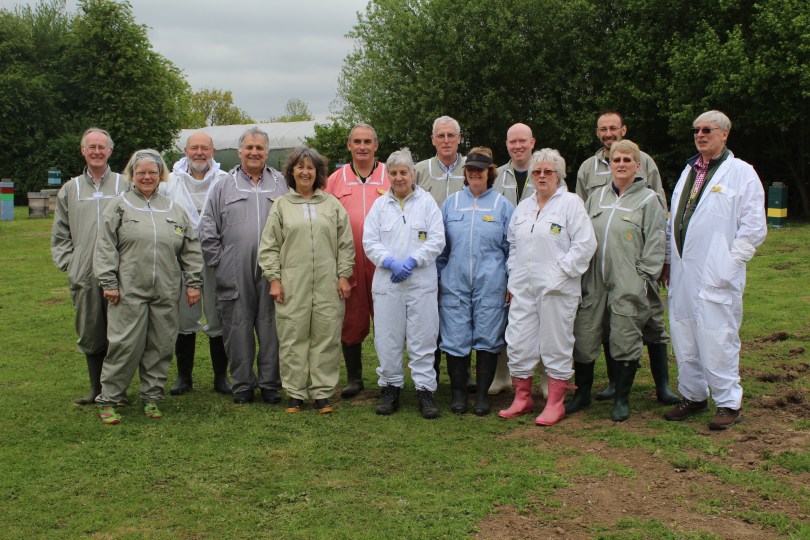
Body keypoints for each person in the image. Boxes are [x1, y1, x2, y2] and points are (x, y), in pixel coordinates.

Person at [662, 110, 766, 430]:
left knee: (718, 336)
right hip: (683, 272)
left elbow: (753, 227)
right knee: (684, 335)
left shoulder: (741, 173)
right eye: (696, 130)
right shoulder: (689, 170)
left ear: (725, 133)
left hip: (716, 272)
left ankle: (728, 402)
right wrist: (667, 260)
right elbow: (675, 220)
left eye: (707, 129)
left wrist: (731, 263)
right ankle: (693, 395)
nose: (700, 134)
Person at [575, 111, 679, 406]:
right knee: (604, 327)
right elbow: (580, 220)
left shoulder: (647, 179)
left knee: (650, 324)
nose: (608, 133)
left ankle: (661, 387)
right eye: (602, 129)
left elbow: (658, 224)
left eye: (613, 128)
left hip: (633, 271)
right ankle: (610, 386)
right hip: (598, 274)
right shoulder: (590, 175)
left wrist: (651, 270)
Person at [94, 150, 203, 424]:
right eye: (141, 172)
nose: (146, 177)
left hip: (165, 289)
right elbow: (105, 246)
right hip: (128, 289)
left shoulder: (173, 208)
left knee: (161, 344)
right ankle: (110, 399)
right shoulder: (119, 206)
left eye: (152, 172)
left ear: (160, 175)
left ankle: (152, 397)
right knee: (124, 344)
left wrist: (193, 283)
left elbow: (190, 248)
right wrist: (109, 282)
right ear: (132, 175)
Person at [499, 149, 596, 425]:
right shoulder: (524, 207)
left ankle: (555, 403)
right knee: (518, 340)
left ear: (558, 175)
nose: (542, 176)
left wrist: (560, 272)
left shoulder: (570, 204)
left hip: (557, 289)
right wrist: (513, 272)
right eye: (537, 172)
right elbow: (513, 243)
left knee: (556, 343)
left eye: (548, 172)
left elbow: (585, 244)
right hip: (523, 287)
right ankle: (522, 398)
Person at [259, 147, 355, 414]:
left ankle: (322, 393)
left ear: (318, 172)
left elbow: (345, 244)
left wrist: (344, 275)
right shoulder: (282, 205)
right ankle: (295, 393)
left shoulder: (331, 204)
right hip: (293, 283)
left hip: (328, 282)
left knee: (326, 336)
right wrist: (274, 279)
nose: (305, 172)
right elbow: (269, 246)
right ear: (292, 172)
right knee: (293, 337)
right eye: (300, 167)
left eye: (310, 167)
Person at [199, 127, 289, 405]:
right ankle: (242, 385)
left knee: (272, 325)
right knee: (237, 326)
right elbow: (207, 227)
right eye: (249, 147)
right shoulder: (223, 185)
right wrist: (219, 261)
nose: (254, 152)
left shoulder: (282, 184)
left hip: (274, 269)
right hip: (234, 268)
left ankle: (270, 383)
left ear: (267, 152)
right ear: (240, 151)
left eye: (259, 148)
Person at [363, 148, 445, 419]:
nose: (399, 177)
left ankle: (425, 390)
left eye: (404, 172)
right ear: (388, 175)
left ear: (413, 173)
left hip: (420, 282)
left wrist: (412, 261)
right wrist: (389, 261)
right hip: (388, 283)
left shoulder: (427, 203)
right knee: (387, 338)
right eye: (394, 173)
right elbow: (369, 241)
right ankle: (390, 387)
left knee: (423, 337)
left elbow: (437, 240)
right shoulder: (379, 206)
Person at [51, 128, 130, 405]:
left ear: (110, 151)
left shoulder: (124, 184)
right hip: (84, 273)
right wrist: (71, 264)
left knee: (120, 331)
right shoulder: (70, 189)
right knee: (90, 329)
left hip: (120, 271)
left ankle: (117, 390)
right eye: (91, 147)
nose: (97, 152)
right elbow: (60, 233)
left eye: (102, 147)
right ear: (83, 151)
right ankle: (95, 388)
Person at [437, 147, 514, 416]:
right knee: (455, 337)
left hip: (491, 283)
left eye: (480, 170)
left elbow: (512, 248)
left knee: (488, 337)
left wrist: (511, 282)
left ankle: (482, 395)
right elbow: (441, 248)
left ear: (489, 173)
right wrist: (439, 278)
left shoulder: (503, 205)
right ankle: (459, 394)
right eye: (470, 169)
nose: (474, 174)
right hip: (454, 283)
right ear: (465, 173)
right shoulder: (451, 204)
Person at [160, 131, 231, 396]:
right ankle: (184, 377)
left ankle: (221, 377)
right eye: (194, 148)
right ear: (186, 151)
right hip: (182, 258)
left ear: (213, 151)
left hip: (216, 256)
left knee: (217, 314)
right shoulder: (170, 182)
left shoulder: (225, 180)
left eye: (204, 148)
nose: (199, 153)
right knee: (184, 316)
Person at [324, 124, 389, 399]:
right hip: (349, 259)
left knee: (387, 317)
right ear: (349, 145)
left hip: (383, 260)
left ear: (376, 145)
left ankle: (389, 377)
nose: (362, 146)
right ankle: (354, 378)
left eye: (367, 141)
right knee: (351, 317)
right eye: (357, 141)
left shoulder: (390, 174)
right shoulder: (335, 179)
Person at [414, 115, 471, 388]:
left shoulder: (471, 168)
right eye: (441, 136)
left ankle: (463, 373)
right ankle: (431, 374)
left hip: (462, 253)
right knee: (429, 313)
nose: (446, 140)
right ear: (433, 140)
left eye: (451, 135)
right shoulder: (419, 170)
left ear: (459, 138)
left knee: (460, 311)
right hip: (427, 254)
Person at [491, 122, 537, 397]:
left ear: (532, 142)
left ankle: (545, 377)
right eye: (512, 142)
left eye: (522, 141)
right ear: (507, 145)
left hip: (538, 256)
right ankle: (502, 375)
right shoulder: (497, 176)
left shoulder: (545, 170)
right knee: (503, 316)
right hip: (503, 255)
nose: (518, 146)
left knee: (541, 318)